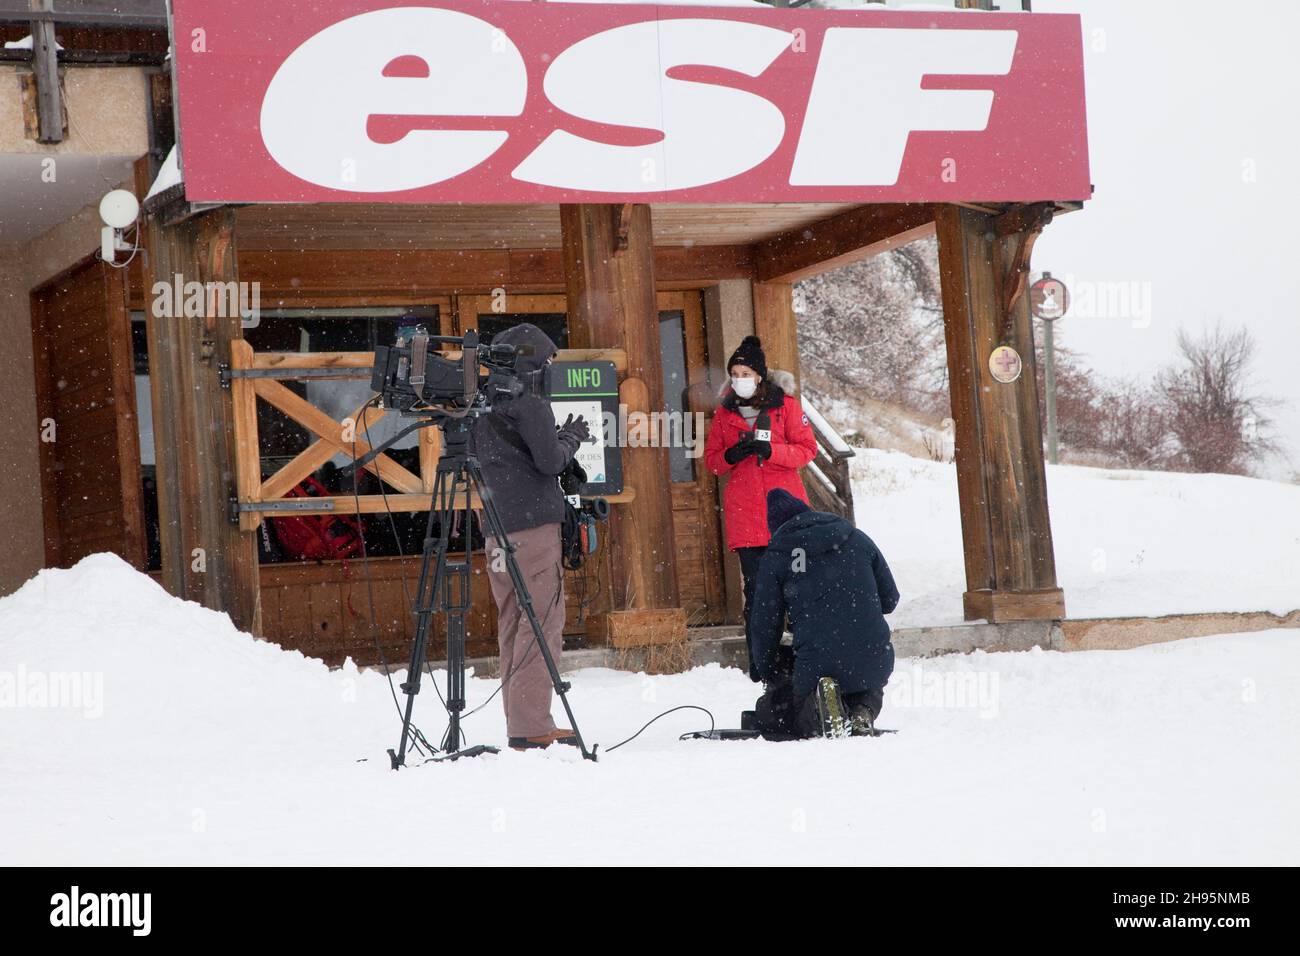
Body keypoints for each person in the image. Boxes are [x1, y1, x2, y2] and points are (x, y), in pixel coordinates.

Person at [471, 323, 589, 751]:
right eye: (547, 361)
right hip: (533, 529)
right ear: (534, 362)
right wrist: (571, 438)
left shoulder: (480, 405)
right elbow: (549, 461)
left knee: (513, 621)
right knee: (542, 620)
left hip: (495, 530)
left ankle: (521, 719)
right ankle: (532, 724)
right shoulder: (530, 403)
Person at [747, 488, 900, 739]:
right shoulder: (858, 539)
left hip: (817, 660)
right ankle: (862, 711)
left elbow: (764, 624)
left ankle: (820, 706)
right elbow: (890, 600)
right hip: (873, 655)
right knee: (867, 686)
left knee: (774, 715)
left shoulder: (778, 556)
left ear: (777, 529)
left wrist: (765, 668)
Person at [703, 335, 817, 670]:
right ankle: (761, 663)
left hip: (787, 516)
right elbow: (712, 462)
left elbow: (807, 450)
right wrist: (732, 454)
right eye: (735, 373)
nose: (740, 379)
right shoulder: (723, 414)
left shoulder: (788, 408)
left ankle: (805, 659)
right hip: (746, 517)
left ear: (759, 376)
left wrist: (773, 452)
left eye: (746, 373)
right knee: (757, 595)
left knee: (796, 589)